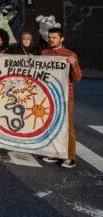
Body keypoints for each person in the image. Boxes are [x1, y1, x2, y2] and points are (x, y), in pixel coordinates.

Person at [41, 27, 83, 169]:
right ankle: (54, 152)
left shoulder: (70, 55)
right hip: (48, 96)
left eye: (54, 37)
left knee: (68, 127)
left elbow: (77, 78)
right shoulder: (44, 54)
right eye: (50, 37)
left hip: (65, 96)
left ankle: (70, 157)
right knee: (51, 125)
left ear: (61, 39)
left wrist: (73, 64)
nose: (51, 40)